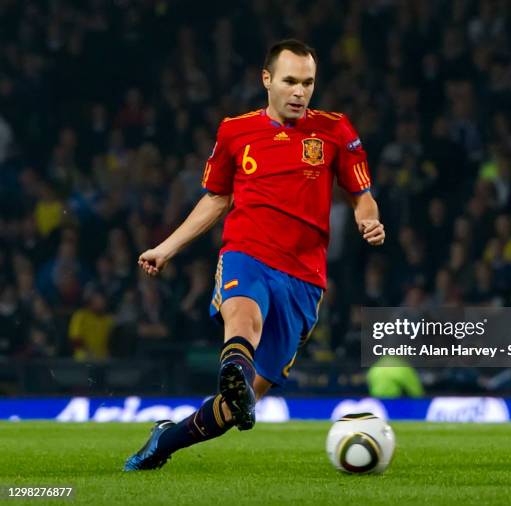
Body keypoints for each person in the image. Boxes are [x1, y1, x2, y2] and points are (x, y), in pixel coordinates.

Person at [124, 39, 385, 471]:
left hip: (304, 279)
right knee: (245, 319)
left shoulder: (335, 130)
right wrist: (166, 248)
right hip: (248, 253)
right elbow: (215, 198)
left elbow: (363, 196)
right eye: (290, 81)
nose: (299, 92)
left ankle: (165, 440)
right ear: (267, 80)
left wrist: (367, 220)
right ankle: (236, 378)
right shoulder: (235, 131)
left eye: (308, 83)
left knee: (236, 406)